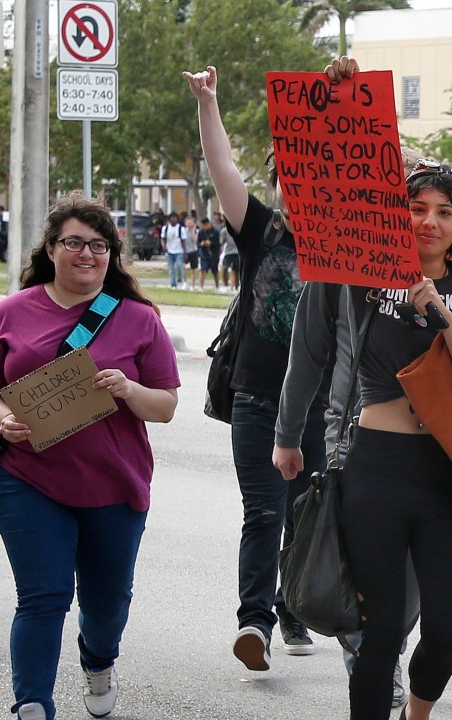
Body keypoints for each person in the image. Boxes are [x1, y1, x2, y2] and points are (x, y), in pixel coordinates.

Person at [275, 154, 452, 720]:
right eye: (417, 208)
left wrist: (442, 313)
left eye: (444, 212)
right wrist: (288, 435)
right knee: (380, 629)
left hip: (448, 475)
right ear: (395, 214)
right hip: (374, 469)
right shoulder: (359, 276)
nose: (429, 221)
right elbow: (311, 349)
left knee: (444, 629)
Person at [0, 192, 180, 720]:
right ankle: (33, 717)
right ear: (52, 249)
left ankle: (99, 659)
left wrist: (129, 390)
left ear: (111, 254)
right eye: (75, 243)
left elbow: (166, 407)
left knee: (107, 603)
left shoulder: (138, 319)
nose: (87, 254)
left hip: (116, 483)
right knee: (42, 598)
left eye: (99, 245)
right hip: (28, 479)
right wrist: (2, 419)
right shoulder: (10, 313)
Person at [185, 63, 320, 668]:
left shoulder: (348, 244)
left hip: (324, 404)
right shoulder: (261, 231)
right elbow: (222, 169)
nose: (300, 188)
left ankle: (295, 605)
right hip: (257, 398)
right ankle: (254, 622)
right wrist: (207, 103)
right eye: (289, 179)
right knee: (264, 510)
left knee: (309, 510)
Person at [160, 212, 187, 289]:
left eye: (175, 218)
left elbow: (184, 241)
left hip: (179, 251)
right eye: (172, 218)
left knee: (179, 265)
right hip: (169, 251)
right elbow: (163, 238)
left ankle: (180, 279)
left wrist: (185, 252)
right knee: (171, 269)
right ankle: (173, 284)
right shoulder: (165, 228)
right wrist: (164, 247)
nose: (173, 219)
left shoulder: (181, 228)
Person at [197, 216, 221, 290]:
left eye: (207, 224)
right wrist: (202, 244)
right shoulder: (201, 232)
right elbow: (198, 243)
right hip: (204, 254)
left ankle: (217, 286)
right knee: (203, 270)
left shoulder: (215, 232)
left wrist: (211, 243)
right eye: (204, 225)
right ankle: (201, 286)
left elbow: (219, 243)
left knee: (215, 271)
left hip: (214, 254)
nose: (205, 226)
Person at [221, 220, 240, 291]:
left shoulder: (238, 229)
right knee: (224, 267)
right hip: (228, 252)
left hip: (237, 251)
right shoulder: (224, 231)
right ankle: (225, 284)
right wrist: (223, 238)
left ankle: (236, 286)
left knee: (236, 270)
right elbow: (221, 242)